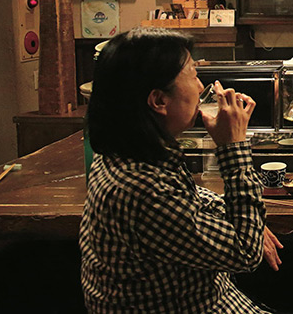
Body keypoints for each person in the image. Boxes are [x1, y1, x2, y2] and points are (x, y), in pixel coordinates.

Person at [80, 27, 282, 313]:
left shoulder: (126, 151)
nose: (201, 87)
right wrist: (233, 147)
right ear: (159, 100)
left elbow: (189, 198)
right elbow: (245, 252)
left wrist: (242, 219)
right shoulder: (141, 189)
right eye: (193, 74)